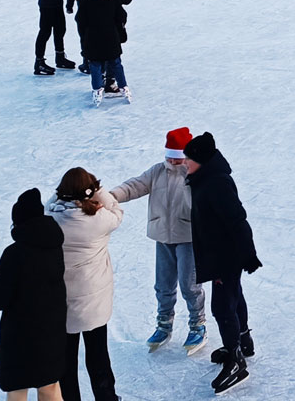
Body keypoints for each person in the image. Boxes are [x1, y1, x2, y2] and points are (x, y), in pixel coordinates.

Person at [109, 127, 208, 355]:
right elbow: (135, 185)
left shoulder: (195, 174)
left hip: (188, 238)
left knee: (189, 285)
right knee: (163, 285)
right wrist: (112, 196)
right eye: (170, 157)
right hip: (162, 236)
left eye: (178, 157)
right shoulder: (157, 171)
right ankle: (164, 324)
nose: (173, 161)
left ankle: (198, 325)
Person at [184, 132, 262, 395]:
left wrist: (248, 255)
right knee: (234, 297)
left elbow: (237, 219)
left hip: (225, 255)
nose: (184, 163)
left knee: (222, 305)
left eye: (189, 159)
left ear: (201, 161)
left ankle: (236, 361)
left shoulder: (216, 183)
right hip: (220, 253)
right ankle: (242, 342)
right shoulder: (204, 178)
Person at [49, 168, 124, 401]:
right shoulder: (99, 220)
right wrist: (98, 190)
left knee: (66, 360)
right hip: (94, 302)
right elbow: (117, 211)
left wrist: (61, 195)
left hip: (63, 301)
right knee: (98, 355)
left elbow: (49, 203)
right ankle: (106, 398)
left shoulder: (51, 219)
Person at [0, 188, 67, 401]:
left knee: (17, 388)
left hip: (20, 337)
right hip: (52, 332)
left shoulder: (14, 254)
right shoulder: (55, 246)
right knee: (49, 386)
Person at [74, 0, 133, 104]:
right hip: (111, 39)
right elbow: (122, 16)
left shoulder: (85, 2)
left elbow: (80, 21)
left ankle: (97, 91)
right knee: (116, 64)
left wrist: (85, 34)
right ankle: (124, 87)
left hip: (92, 40)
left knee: (95, 65)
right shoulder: (113, 0)